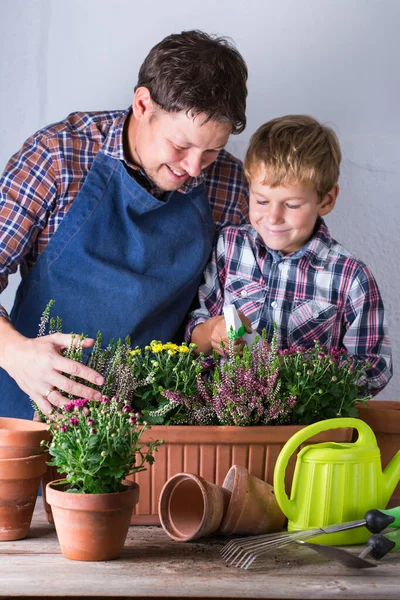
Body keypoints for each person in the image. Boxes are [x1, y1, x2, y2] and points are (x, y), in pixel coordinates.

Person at [0, 30, 249, 418]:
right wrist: (14, 352)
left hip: (149, 423)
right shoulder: (58, 157)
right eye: (181, 146)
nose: (194, 168)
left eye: (212, 151)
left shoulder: (229, 185)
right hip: (29, 406)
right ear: (143, 104)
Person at [188, 115, 392, 396]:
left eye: (292, 204)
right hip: (227, 421)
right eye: (261, 200)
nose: (272, 217)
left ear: (326, 200)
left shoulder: (350, 277)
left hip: (308, 429)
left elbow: (374, 368)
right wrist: (213, 332)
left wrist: (302, 371)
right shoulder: (229, 247)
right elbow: (191, 337)